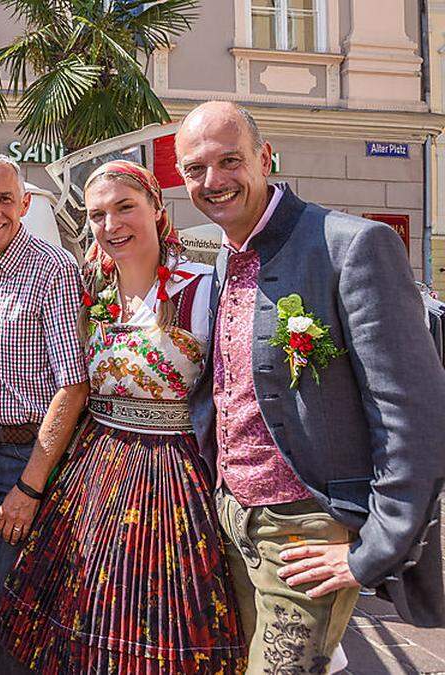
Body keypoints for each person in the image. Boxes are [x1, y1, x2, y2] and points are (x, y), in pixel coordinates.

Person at [177, 101, 445, 672]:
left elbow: (413, 411)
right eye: (196, 169)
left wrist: (374, 550)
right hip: (233, 519)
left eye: (231, 161)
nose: (214, 180)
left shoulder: (352, 245)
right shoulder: (227, 258)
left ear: (265, 158)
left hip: (308, 526)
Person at [0, 160, 246, 673]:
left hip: (176, 482)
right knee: (91, 616)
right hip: (95, 476)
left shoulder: (202, 290)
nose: (111, 225)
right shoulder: (92, 293)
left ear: (157, 207)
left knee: (163, 622)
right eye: (97, 215)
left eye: (125, 207)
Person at [0, 154, 89, 675]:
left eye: (4, 198)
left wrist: (29, 488)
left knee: (20, 608)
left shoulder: (53, 269)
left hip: (29, 458)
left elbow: (73, 386)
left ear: (24, 204)